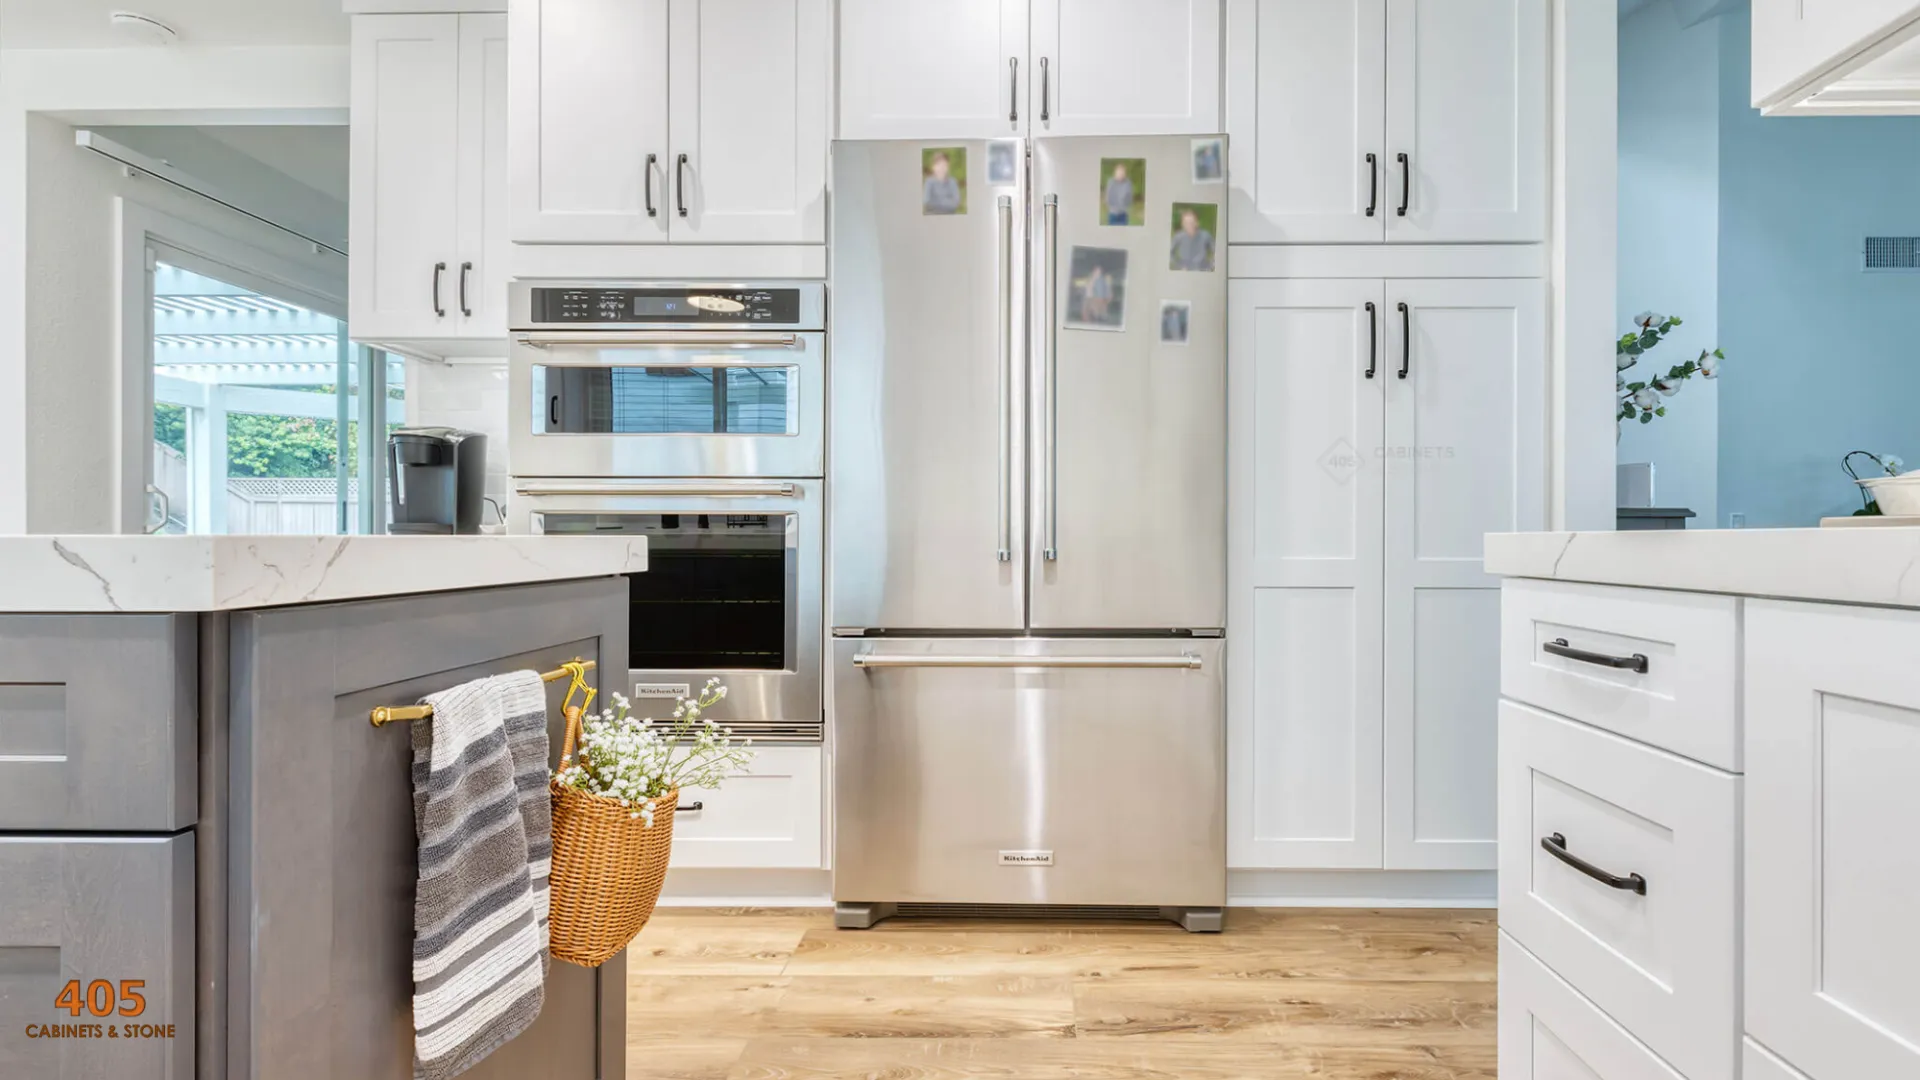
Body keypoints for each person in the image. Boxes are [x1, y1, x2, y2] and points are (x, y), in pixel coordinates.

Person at [1170, 208, 1215, 272]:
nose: (1189, 225)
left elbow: (1217, 252)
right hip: (1184, 271)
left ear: (1197, 222)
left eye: (1191, 222)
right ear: (1182, 224)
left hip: (1202, 271)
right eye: (1186, 222)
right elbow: (1169, 253)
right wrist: (1179, 266)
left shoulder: (1206, 236)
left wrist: (1210, 266)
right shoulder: (1178, 237)